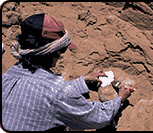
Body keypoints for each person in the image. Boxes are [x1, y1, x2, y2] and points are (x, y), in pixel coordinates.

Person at [2, 13, 134, 131]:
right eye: (62, 50)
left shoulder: (8, 75)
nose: (61, 55)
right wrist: (119, 98)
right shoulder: (58, 92)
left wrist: (83, 81)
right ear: (52, 53)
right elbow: (98, 117)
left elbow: (46, 93)